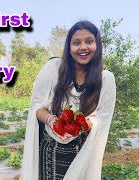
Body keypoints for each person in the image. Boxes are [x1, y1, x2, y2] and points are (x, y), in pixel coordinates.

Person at [20, 20, 116, 180]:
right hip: (50, 151)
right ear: (69, 48)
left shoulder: (105, 79)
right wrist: (51, 120)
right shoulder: (53, 68)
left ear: (97, 46)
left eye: (89, 42)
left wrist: (80, 125)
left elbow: (103, 118)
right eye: (76, 42)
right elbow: (36, 106)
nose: (83, 47)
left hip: (83, 152)